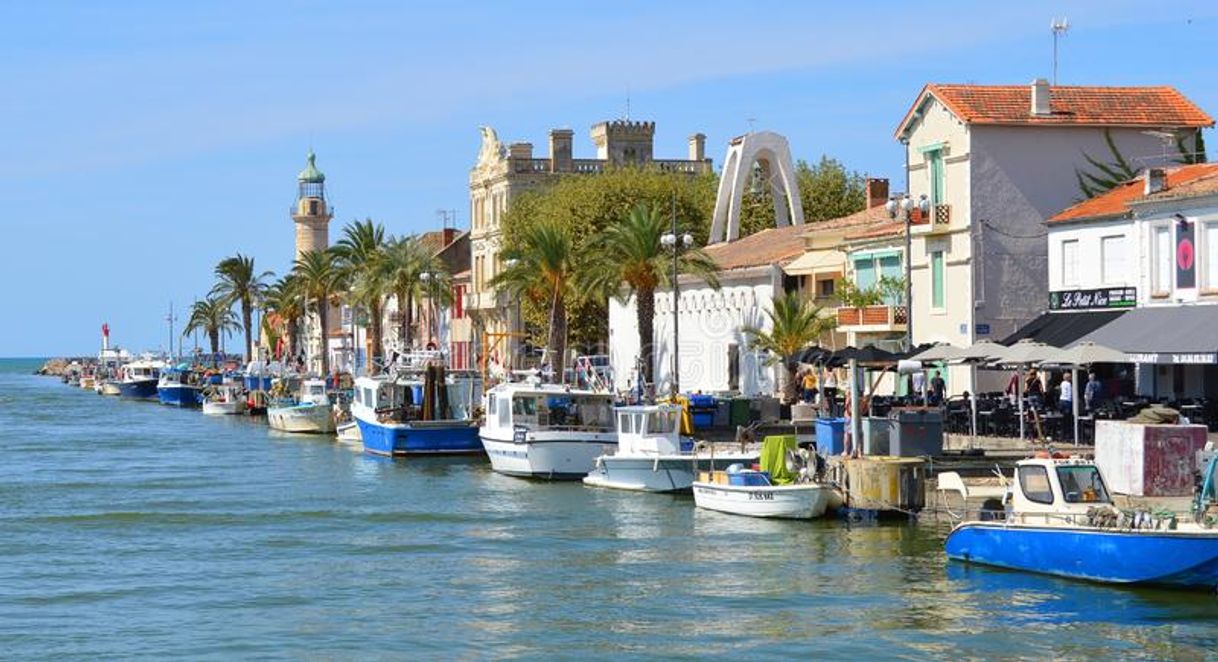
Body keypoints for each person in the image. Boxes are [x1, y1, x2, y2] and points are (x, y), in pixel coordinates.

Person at [1058, 372, 1074, 441]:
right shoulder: (1069, 384)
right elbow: (1070, 393)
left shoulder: (1062, 383)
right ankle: (1067, 434)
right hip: (1067, 401)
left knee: (1063, 417)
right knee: (1068, 419)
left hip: (1061, 400)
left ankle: (1062, 434)